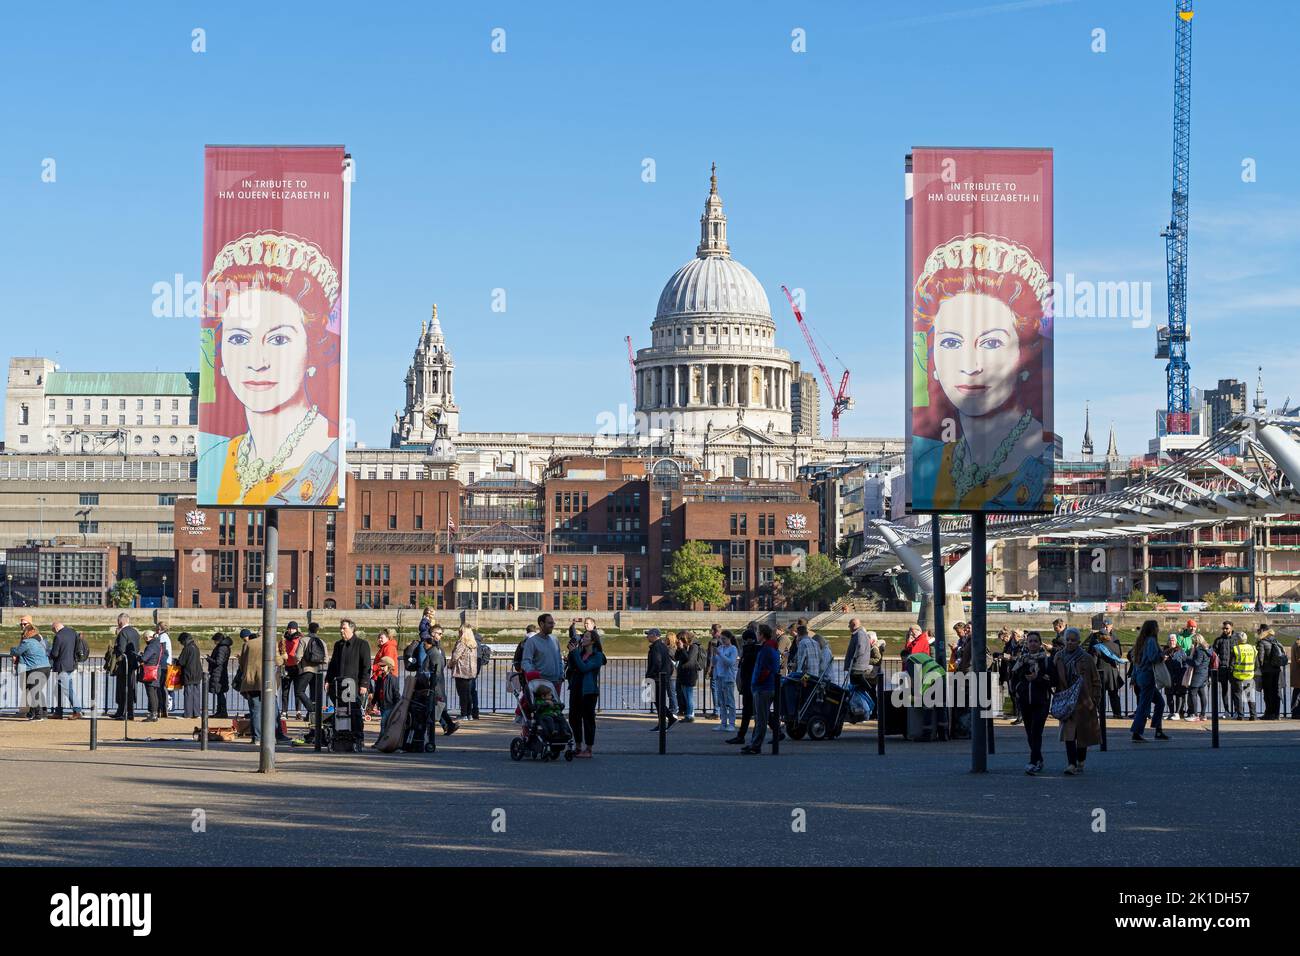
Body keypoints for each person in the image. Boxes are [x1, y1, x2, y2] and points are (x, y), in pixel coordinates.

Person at [197, 231, 343, 506]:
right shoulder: (213, 461)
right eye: (239, 339)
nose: (257, 361)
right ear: (222, 356)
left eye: (278, 339)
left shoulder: (331, 452)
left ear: (312, 350)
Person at [909, 232, 1052, 511]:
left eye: (991, 342)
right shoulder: (929, 465)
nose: (971, 365)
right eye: (951, 342)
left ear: (1022, 353)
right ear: (933, 358)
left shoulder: (1042, 461)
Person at [1054, 627, 1101, 775]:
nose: (1069, 642)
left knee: (1083, 734)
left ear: (1079, 642)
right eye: (1067, 639)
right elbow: (1053, 676)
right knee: (1069, 734)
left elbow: (1096, 681)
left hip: (1084, 701)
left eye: (1073, 640)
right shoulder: (1058, 657)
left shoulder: (1087, 658)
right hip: (1067, 700)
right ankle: (1071, 764)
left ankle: (1080, 760)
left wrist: (1095, 700)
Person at [325, 619, 373, 751]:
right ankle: (340, 737)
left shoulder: (362, 644)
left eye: (344, 628)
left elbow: (366, 666)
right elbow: (333, 665)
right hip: (339, 685)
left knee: (355, 713)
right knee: (340, 712)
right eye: (340, 628)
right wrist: (328, 680)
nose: (341, 631)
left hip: (355, 686)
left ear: (352, 629)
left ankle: (358, 737)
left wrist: (364, 684)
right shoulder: (338, 645)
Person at [1010, 630, 1053, 774]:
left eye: (1036, 641)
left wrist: (1037, 678)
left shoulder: (1046, 660)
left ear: (1040, 643)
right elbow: (1015, 676)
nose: (1033, 643)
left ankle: (1033, 761)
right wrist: (1017, 689)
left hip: (1041, 701)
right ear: (1027, 644)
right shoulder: (1022, 660)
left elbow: (1052, 680)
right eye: (1030, 641)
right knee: (1029, 733)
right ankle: (1039, 758)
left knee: (1036, 732)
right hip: (1025, 701)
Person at [403, 627, 458, 736]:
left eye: (441, 634)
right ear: (432, 634)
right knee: (435, 704)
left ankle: (444, 726)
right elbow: (424, 665)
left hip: (432, 682)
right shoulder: (428, 646)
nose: (441, 636)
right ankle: (447, 725)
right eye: (439, 633)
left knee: (435, 704)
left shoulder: (436, 648)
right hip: (429, 682)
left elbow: (434, 666)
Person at [238, 628, 289, 744]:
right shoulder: (271, 644)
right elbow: (278, 661)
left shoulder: (248, 644)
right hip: (267, 682)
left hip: (250, 681)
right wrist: (284, 657)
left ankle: (257, 737)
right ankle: (278, 735)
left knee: (255, 710)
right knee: (273, 710)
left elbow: (242, 664)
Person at [741, 624, 780, 755]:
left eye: (758, 633)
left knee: (761, 720)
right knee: (760, 718)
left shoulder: (766, 649)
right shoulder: (770, 647)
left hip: (763, 688)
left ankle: (756, 746)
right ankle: (754, 743)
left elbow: (765, 669)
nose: (756, 635)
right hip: (765, 687)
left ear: (762, 635)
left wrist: (756, 682)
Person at [567, 627, 606, 757]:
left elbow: (584, 668)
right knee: (573, 718)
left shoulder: (598, 656)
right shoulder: (580, 652)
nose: (583, 638)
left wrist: (574, 654)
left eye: (587, 637)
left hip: (588, 692)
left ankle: (588, 749)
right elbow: (573, 666)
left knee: (588, 720)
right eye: (583, 636)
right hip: (576, 689)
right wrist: (571, 653)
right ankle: (578, 746)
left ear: (593, 641)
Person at [1130, 619, 1168, 742]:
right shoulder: (1151, 641)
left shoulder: (1141, 642)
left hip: (1141, 676)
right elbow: (1153, 658)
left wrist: (1134, 678)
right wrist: (1163, 656)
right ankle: (1137, 733)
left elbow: (1136, 662)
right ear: (1153, 629)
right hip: (1148, 676)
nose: (1158, 629)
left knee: (1159, 703)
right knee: (1144, 706)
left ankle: (1158, 730)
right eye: (1157, 627)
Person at [9, 620, 51, 720]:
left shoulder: (27, 642)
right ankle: (37, 713)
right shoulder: (38, 642)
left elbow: (17, 651)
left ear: (26, 633)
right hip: (46, 668)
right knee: (37, 691)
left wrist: (12, 649)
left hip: (35, 668)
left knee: (34, 692)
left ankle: (38, 715)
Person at [1085, 618, 1124, 719]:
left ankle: (1101, 713)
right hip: (1112, 671)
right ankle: (1117, 713)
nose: (1106, 626)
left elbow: (1092, 659)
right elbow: (1119, 655)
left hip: (1100, 671)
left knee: (1101, 695)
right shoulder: (1115, 642)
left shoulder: (1097, 644)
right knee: (1114, 694)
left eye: (1108, 625)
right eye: (1104, 625)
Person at [728, 628, 759, 744]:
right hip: (749, 685)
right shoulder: (752, 650)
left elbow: (745, 668)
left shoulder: (750, 651)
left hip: (750, 685)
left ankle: (741, 736)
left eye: (745, 640)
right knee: (751, 711)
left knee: (752, 711)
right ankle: (741, 736)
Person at [108, 613, 141, 721]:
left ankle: (123, 712)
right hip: (133, 664)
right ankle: (127, 712)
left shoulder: (123, 632)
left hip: (124, 664)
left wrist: (114, 648)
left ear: (120, 622)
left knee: (123, 689)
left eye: (118, 621)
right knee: (130, 689)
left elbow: (121, 650)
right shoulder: (135, 632)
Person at [48, 619, 83, 719]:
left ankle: (77, 711)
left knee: (68, 689)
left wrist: (49, 653)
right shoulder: (73, 632)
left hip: (62, 666)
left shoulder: (58, 636)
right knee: (59, 689)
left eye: (53, 630)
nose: (54, 632)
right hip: (71, 665)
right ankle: (58, 712)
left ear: (55, 628)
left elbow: (55, 653)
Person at [522, 614, 564, 695]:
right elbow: (525, 662)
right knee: (544, 707)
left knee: (555, 707)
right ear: (541, 624)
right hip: (541, 684)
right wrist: (535, 676)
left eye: (553, 623)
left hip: (556, 682)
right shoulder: (532, 642)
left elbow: (559, 659)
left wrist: (561, 676)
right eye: (550, 623)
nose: (552, 625)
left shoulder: (555, 639)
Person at [644, 628, 677, 732]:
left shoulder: (656, 647)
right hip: (662, 677)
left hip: (657, 678)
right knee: (658, 701)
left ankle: (669, 719)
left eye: (648, 634)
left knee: (658, 701)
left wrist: (650, 675)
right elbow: (668, 664)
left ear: (654, 635)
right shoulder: (662, 646)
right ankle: (664, 722)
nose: (647, 636)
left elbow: (657, 663)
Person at [296, 621, 327, 722]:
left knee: (299, 691)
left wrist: (299, 665)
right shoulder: (322, 641)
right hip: (318, 671)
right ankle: (311, 716)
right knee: (314, 694)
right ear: (317, 630)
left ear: (308, 629)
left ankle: (312, 710)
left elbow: (298, 656)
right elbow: (326, 659)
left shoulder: (303, 640)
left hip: (306, 670)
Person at [1255, 624, 1286, 720]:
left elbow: (1261, 659)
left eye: (1259, 630)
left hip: (1267, 671)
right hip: (1277, 670)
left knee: (1268, 693)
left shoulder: (1262, 642)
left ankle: (1268, 714)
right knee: (1276, 692)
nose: (1258, 632)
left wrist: (1259, 669)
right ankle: (1276, 714)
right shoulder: (1275, 640)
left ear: (1263, 631)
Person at [449, 625, 479, 721]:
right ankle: (469, 714)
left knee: (462, 694)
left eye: (460, 631)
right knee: (468, 694)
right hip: (471, 672)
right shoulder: (473, 644)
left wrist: (450, 665)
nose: (459, 633)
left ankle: (463, 714)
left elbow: (455, 657)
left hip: (461, 671)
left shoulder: (461, 643)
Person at [711, 631, 738, 733]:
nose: (722, 641)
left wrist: (720, 654)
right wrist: (714, 655)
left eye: (724, 639)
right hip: (719, 677)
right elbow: (714, 662)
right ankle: (723, 723)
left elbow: (730, 663)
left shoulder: (733, 649)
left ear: (729, 639)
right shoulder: (720, 648)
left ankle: (732, 724)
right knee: (721, 702)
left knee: (730, 702)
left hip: (728, 678)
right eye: (721, 639)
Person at [1228, 630, 1256, 720]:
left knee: (1238, 696)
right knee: (1250, 696)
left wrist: (1231, 673)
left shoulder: (1236, 649)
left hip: (1238, 676)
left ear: (1238, 640)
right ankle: (1253, 715)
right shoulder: (1252, 648)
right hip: (1249, 675)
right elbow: (1257, 662)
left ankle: (1240, 715)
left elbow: (1231, 664)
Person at [137, 630, 166, 723]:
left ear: (148, 638)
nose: (145, 640)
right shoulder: (158, 645)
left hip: (150, 671)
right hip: (157, 670)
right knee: (154, 693)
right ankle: (155, 713)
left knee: (151, 694)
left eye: (145, 638)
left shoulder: (151, 646)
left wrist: (139, 657)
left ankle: (153, 714)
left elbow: (144, 658)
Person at [844, 619, 878, 692]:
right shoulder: (859, 633)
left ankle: (868, 697)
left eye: (849, 625)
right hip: (858, 667)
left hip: (857, 667)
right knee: (858, 687)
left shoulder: (859, 634)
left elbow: (860, 649)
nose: (848, 627)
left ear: (854, 625)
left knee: (857, 687)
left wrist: (854, 658)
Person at [1212, 622, 1237, 718]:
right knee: (1224, 690)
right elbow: (1214, 654)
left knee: (1235, 690)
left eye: (1227, 628)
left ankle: (1236, 711)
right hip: (1222, 668)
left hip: (1233, 669)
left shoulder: (1236, 640)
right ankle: (1226, 710)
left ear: (1231, 628)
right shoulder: (1219, 640)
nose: (1225, 630)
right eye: (1224, 628)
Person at [675, 630, 702, 721]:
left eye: (679, 639)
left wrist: (682, 648)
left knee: (689, 695)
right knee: (685, 696)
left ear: (684, 639)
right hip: (683, 674)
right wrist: (679, 649)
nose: (678, 641)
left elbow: (688, 659)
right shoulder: (684, 647)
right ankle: (688, 714)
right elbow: (676, 657)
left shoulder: (694, 647)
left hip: (690, 674)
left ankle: (690, 715)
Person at [177, 632, 205, 718]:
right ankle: (196, 713)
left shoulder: (187, 648)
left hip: (189, 673)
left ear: (184, 640)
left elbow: (181, 661)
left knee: (188, 694)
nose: (181, 644)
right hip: (197, 673)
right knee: (196, 694)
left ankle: (188, 713)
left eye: (181, 642)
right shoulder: (195, 647)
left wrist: (176, 661)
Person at [1186, 635, 1212, 722]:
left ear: (1197, 641)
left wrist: (1186, 659)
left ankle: (1195, 715)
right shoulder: (1208, 648)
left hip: (1198, 674)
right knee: (1202, 694)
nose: (1193, 643)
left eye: (1193, 641)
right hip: (1205, 674)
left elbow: (1197, 663)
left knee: (1192, 693)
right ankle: (1203, 715)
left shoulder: (1199, 650)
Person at [207, 631, 233, 719]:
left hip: (218, 673)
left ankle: (221, 712)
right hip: (221, 672)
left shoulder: (222, 648)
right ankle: (220, 712)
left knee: (220, 693)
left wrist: (208, 659)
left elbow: (218, 661)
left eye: (215, 641)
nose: (214, 642)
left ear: (218, 640)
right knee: (220, 693)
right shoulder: (225, 647)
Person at [1163, 635, 1188, 721]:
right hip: (1167, 676)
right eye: (1170, 640)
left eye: (1173, 640)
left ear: (1176, 641)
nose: (1171, 642)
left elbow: (1186, 663)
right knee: (1169, 695)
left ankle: (1177, 713)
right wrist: (1163, 660)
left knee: (1179, 695)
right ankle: (1171, 712)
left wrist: (1183, 673)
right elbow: (1158, 663)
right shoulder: (1164, 651)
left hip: (1178, 676)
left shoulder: (1181, 651)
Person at [281, 621, 304, 718]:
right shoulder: (283, 640)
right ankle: (284, 712)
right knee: (285, 691)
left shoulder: (300, 639)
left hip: (297, 667)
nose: (291, 630)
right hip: (286, 667)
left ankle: (298, 712)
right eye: (289, 628)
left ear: (296, 629)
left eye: (293, 628)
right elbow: (280, 651)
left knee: (298, 691)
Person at [374, 658, 401, 739]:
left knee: (383, 723)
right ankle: (385, 741)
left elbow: (396, 693)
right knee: (386, 724)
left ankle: (380, 741)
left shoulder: (393, 679)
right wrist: (372, 703)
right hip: (382, 705)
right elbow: (376, 692)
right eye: (380, 666)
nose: (381, 668)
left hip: (390, 705)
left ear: (389, 666)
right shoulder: (379, 678)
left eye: (383, 666)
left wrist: (398, 706)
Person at [154, 621, 174, 718]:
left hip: (163, 665)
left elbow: (162, 651)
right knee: (162, 687)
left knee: (160, 687)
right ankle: (163, 709)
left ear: (159, 628)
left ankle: (162, 709)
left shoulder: (162, 637)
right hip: (166, 664)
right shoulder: (165, 636)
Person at [704, 623, 722, 718]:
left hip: (715, 669)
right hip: (722, 670)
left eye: (711, 630)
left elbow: (710, 658)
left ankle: (716, 712)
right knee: (721, 690)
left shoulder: (713, 642)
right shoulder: (724, 641)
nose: (710, 632)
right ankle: (720, 711)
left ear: (714, 631)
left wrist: (708, 671)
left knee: (714, 690)